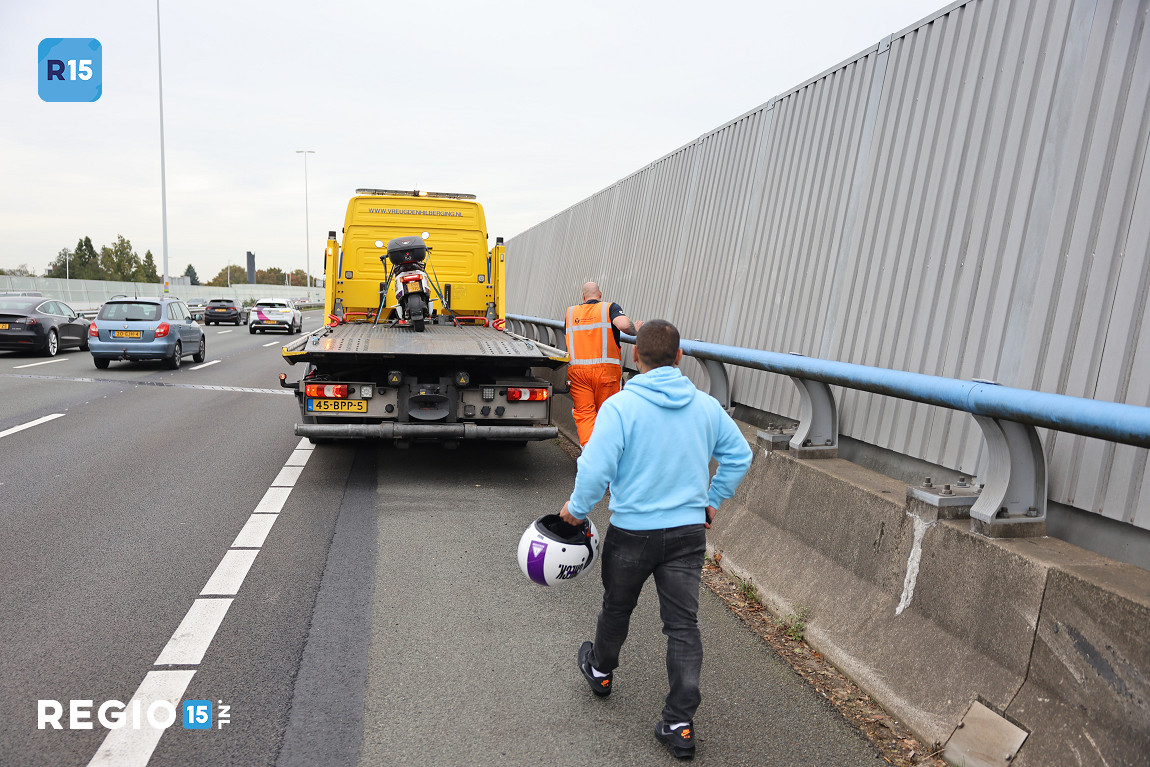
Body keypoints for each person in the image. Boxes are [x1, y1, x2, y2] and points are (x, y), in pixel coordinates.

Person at [559, 319, 753, 760]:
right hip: (686, 534)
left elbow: (594, 469)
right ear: (680, 357)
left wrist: (575, 512)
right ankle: (680, 723)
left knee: (617, 606)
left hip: (632, 533)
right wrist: (712, 498)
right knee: (683, 626)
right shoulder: (705, 407)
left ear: (634, 357)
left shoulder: (621, 408)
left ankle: (601, 670)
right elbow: (741, 455)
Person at [564, 282, 641, 446]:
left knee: (585, 415)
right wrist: (637, 329)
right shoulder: (609, 308)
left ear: (583, 297)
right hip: (606, 372)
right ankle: (606, 456)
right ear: (600, 294)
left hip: (578, 373)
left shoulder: (570, 313)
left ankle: (589, 452)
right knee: (607, 415)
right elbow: (625, 325)